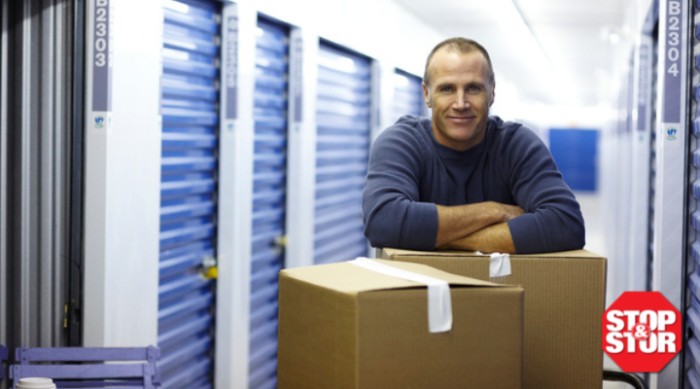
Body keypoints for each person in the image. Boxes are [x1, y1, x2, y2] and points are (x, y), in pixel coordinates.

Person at [362, 37, 585, 254]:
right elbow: (384, 222)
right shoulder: (402, 143)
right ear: (427, 94)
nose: (460, 103)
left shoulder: (516, 145)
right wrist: (494, 211)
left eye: (473, 88)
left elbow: (566, 224)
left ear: (492, 93)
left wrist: (430, 237)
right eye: (447, 89)